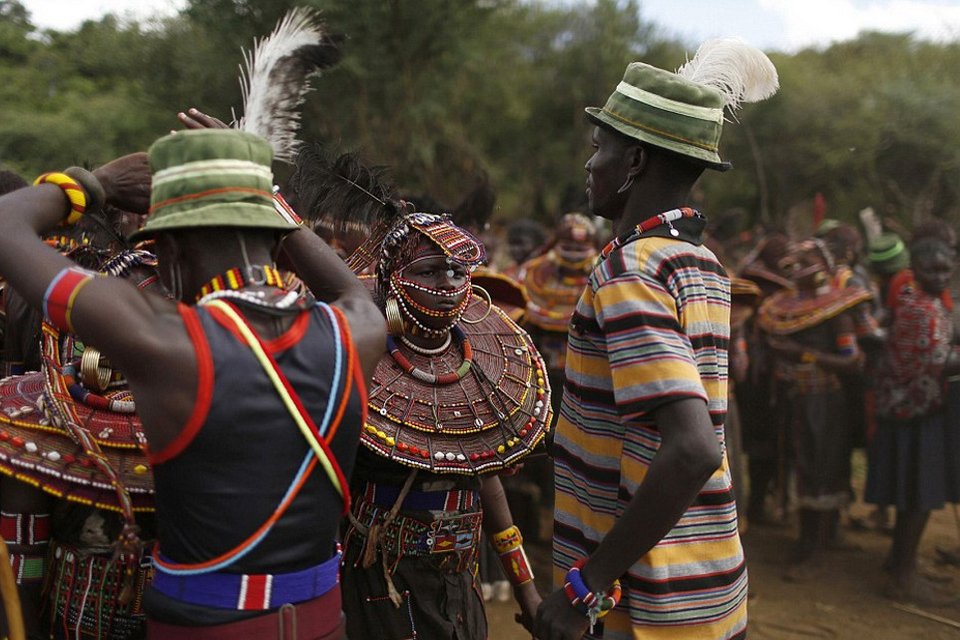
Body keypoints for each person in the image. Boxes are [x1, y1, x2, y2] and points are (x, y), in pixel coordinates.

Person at [0, 126, 384, 639]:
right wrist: (252, 189)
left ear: (172, 253)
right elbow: (346, 285)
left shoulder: (167, 342)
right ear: (279, 241)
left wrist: (95, 183)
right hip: (323, 623)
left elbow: (5, 226)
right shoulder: (357, 330)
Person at [535, 39, 778, 640]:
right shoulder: (699, 262)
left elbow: (692, 449)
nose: (589, 165)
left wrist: (586, 587)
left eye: (599, 148)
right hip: (708, 586)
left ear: (635, 161)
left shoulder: (632, 270)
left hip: (642, 602)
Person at [340, 212, 549, 640]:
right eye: (430, 271)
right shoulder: (357, 355)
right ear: (393, 279)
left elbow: (484, 475)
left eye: (457, 271)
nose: (448, 284)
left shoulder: (485, 367)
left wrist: (525, 589)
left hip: (459, 577)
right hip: (379, 576)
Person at [757, 239, 869, 578]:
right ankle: (813, 541)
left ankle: (814, 549)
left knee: (820, 471)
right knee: (805, 469)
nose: (796, 266)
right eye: (794, 261)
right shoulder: (785, 306)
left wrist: (803, 355)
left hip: (824, 403)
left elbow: (853, 361)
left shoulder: (837, 309)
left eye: (805, 260)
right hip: (797, 401)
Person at [865, 223, 960, 606]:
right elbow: (936, 362)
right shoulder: (920, 308)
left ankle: (899, 564)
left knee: (913, 494)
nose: (940, 276)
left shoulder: (930, 303)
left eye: (946, 269)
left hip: (913, 410)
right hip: (915, 414)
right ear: (915, 270)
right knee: (919, 496)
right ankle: (903, 578)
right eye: (932, 270)